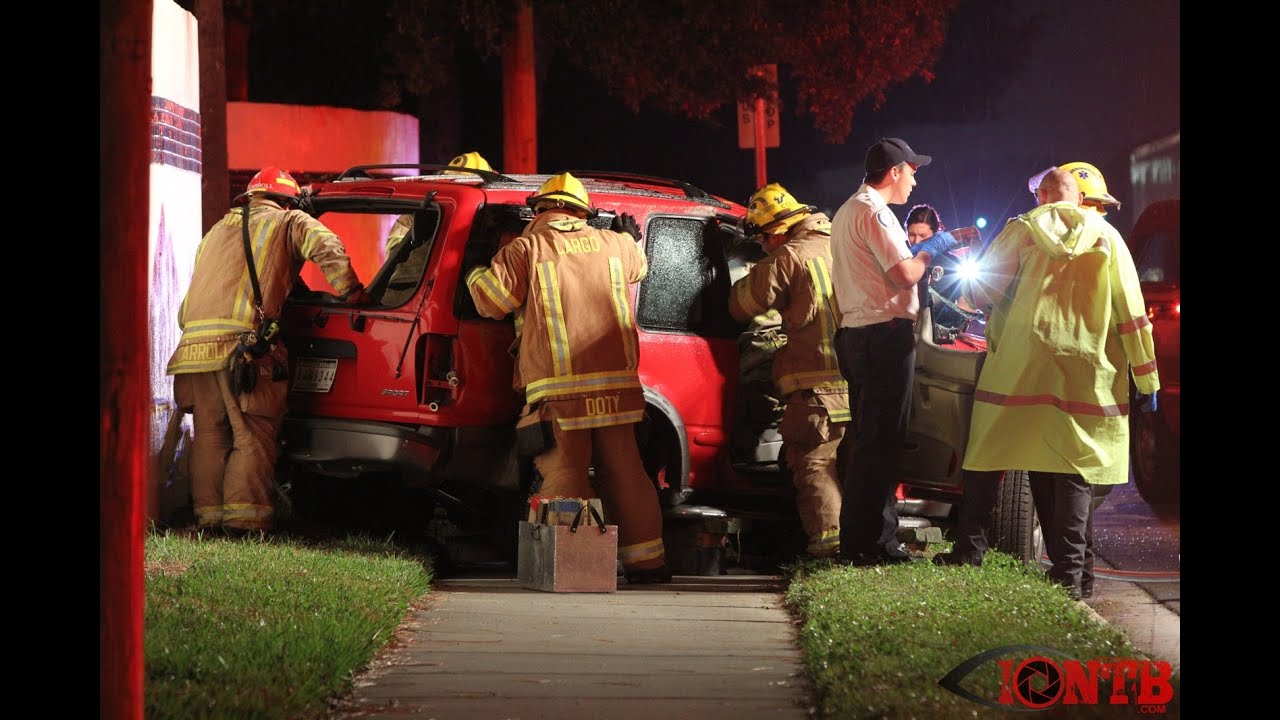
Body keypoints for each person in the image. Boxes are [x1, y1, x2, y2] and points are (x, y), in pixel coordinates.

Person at [935, 168, 1160, 600]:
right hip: (1086, 370)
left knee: (987, 454)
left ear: (1041, 197)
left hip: (1020, 368)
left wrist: (957, 304)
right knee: (1074, 468)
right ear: (1079, 199)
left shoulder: (1022, 230)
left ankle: (970, 550)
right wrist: (1146, 377)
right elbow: (1132, 313)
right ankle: (1073, 575)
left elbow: (982, 291)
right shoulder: (1108, 238)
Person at [465, 172, 671, 584]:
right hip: (617, 389)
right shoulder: (615, 243)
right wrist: (628, 238)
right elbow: (639, 266)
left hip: (559, 391)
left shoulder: (527, 248)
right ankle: (648, 564)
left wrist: (474, 267)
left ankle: (576, 570)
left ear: (540, 210)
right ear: (582, 212)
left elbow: (490, 302)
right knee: (626, 471)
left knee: (566, 474)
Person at [167, 166, 370, 536]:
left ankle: (209, 520)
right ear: (287, 201)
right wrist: (352, 293)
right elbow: (327, 246)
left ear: (250, 197)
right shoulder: (288, 221)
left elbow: (188, 305)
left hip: (193, 350)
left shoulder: (215, 231)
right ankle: (243, 523)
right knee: (251, 434)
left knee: (210, 435)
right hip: (242, 349)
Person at [829, 138, 958, 566]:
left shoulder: (847, 211)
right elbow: (905, 274)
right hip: (883, 336)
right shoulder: (875, 212)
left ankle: (864, 540)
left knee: (868, 440)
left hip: (857, 334)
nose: (915, 181)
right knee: (882, 442)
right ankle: (872, 544)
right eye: (912, 172)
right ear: (895, 171)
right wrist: (935, 246)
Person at [728, 183, 850, 558]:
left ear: (777, 231)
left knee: (813, 462)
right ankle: (862, 543)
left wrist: (751, 271)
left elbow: (741, 305)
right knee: (852, 466)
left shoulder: (790, 256)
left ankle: (830, 550)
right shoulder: (845, 243)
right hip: (860, 380)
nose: (763, 246)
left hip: (816, 383)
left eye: (763, 238)